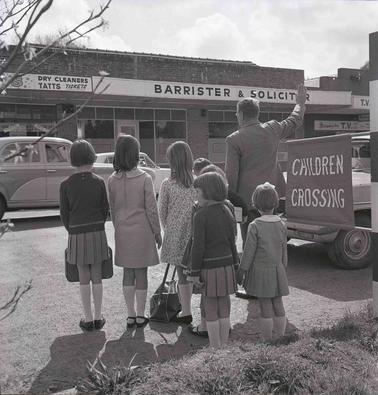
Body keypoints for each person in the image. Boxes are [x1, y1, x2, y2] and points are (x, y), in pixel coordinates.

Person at [225, 84, 307, 246]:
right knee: (271, 242)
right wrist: (300, 104)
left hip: (246, 203)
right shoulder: (272, 129)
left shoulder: (233, 139)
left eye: (236, 113)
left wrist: (231, 203)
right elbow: (294, 120)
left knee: (251, 242)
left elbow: (231, 176)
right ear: (257, 113)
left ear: (241, 115)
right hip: (271, 199)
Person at [108, 135, 162, 329]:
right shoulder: (145, 178)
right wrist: (157, 232)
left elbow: (112, 209)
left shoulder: (112, 180)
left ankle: (130, 315)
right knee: (142, 273)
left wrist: (118, 227)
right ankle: (141, 314)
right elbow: (151, 209)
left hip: (122, 230)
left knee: (127, 273)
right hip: (142, 231)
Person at [60, 139, 109, 331]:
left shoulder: (66, 184)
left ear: (73, 158)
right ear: (91, 157)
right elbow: (105, 208)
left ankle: (87, 318)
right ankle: (98, 317)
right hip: (97, 231)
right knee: (97, 274)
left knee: (82, 275)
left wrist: (72, 230)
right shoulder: (99, 182)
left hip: (76, 232)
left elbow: (64, 213)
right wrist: (98, 224)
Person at [187, 172, 238, 348]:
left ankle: (214, 348)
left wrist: (194, 273)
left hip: (208, 268)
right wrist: (236, 266)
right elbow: (233, 241)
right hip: (227, 266)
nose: (196, 196)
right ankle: (224, 346)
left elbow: (197, 247)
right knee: (224, 307)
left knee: (210, 308)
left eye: (198, 192)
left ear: (208, 192)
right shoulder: (227, 211)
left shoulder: (200, 216)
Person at [237, 182, 289, 342]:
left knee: (265, 306)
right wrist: (283, 267)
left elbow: (248, 253)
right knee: (278, 304)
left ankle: (267, 340)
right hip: (277, 269)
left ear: (256, 204)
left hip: (261, 271)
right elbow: (284, 250)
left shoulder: (255, 226)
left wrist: (242, 271)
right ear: (275, 202)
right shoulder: (282, 224)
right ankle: (280, 336)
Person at [158, 141, 197, 324]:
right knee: (194, 272)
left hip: (175, 233)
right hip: (194, 234)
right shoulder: (198, 183)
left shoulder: (167, 184)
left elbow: (162, 211)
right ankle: (197, 312)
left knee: (181, 273)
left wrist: (168, 227)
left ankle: (186, 311)